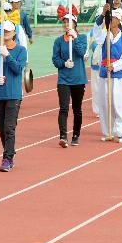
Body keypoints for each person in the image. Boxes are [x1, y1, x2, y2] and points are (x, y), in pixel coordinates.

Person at [0, 20, 27, 172]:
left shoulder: (21, 50)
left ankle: (7, 158)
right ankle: (10, 152)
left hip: (13, 94)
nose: (5, 33)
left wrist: (7, 55)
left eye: (8, 30)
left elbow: (18, 69)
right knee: (1, 127)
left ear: (14, 33)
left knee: (9, 127)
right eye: (3, 30)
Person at [92, 6, 122, 143]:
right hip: (106, 75)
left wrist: (115, 66)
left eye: (113, 18)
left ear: (120, 20)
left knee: (120, 104)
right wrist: (102, 15)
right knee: (105, 104)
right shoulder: (104, 36)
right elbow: (96, 31)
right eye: (109, 18)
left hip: (120, 75)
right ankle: (108, 131)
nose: (110, 20)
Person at [52, 13, 87, 147]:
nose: (66, 25)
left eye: (69, 22)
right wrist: (64, 63)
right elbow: (55, 60)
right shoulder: (59, 41)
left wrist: (75, 37)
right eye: (65, 22)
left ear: (75, 24)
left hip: (78, 79)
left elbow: (82, 52)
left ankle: (76, 134)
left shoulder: (82, 37)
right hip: (64, 80)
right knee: (64, 108)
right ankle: (63, 136)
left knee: (77, 109)